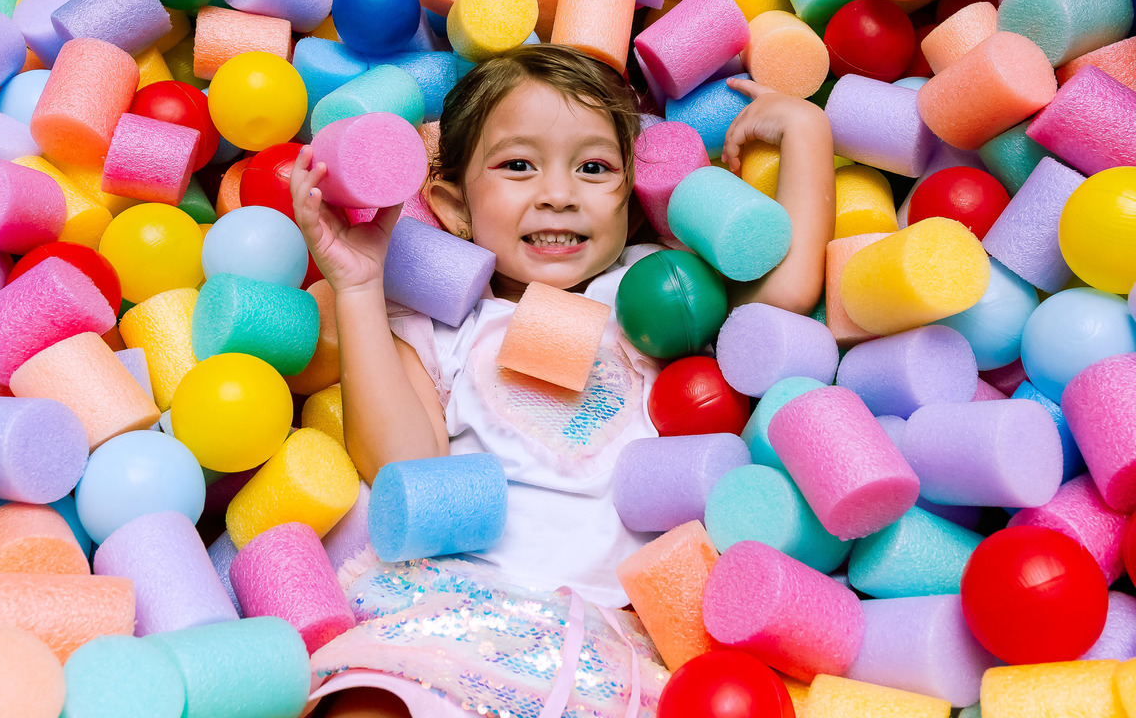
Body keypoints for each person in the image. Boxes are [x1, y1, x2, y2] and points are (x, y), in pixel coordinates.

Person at [289, 44, 835, 718]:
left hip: (605, 633)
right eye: (518, 165)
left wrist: (808, 132)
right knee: (368, 703)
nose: (558, 193)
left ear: (631, 206)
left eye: (594, 168)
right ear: (452, 203)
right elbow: (403, 466)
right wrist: (359, 286)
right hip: (453, 604)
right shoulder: (449, 328)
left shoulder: (654, 297)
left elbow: (782, 297)